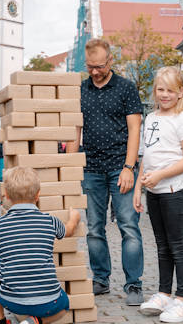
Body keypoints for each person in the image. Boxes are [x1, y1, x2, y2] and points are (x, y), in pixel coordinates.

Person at [66, 38, 144, 305]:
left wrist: (129, 167)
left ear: (110, 61)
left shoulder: (126, 88)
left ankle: (133, 284)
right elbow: (75, 131)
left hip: (120, 167)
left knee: (128, 227)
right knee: (94, 228)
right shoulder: (80, 90)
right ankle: (101, 279)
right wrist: (70, 167)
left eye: (99, 66)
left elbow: (135, 129)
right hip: (91, 168)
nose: (95, 71)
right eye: (90, 66)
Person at [134, 66, 183, 322]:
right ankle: (164, 293)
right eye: (160, 89)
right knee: (162, 246)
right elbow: (146, 157)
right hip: (154, 191)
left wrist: (161, 175)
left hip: (174, 189)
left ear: (180, 92)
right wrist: (139, 187)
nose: (164, 95)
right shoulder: (150, 118)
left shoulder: (182, 119)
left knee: (177, 245)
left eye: (170, 90)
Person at [0, 167, 80, 324]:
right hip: (50, 303)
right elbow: (68, 231)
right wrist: (74, 218)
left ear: (6, 195)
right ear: (38, 195)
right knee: (64, 306)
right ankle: (35, 321)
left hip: (11, 301)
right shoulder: (50, 221)